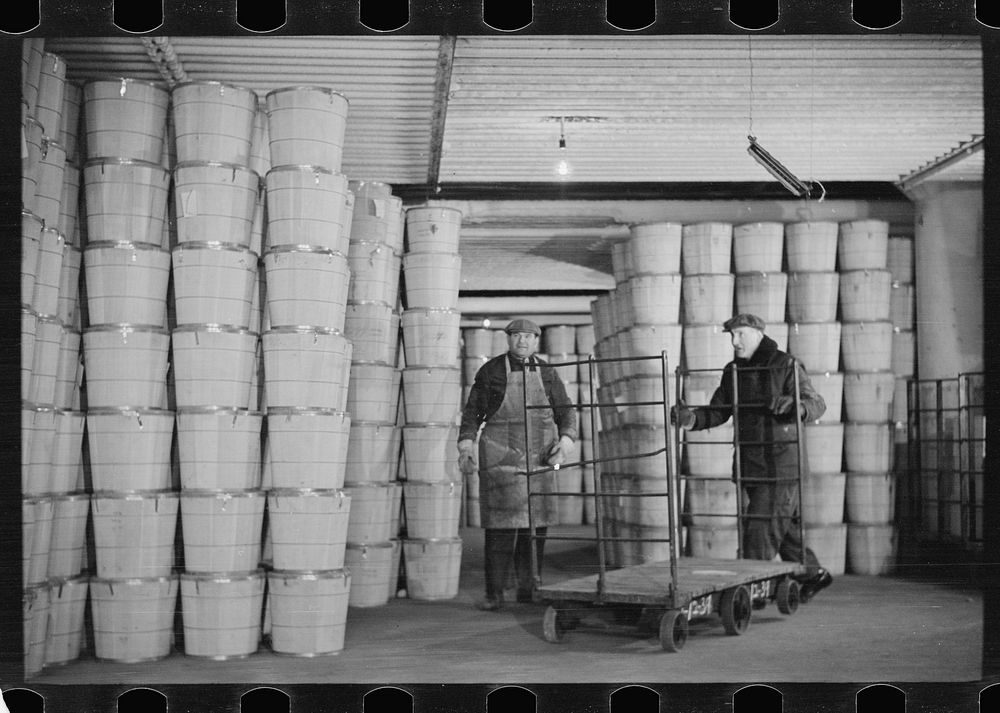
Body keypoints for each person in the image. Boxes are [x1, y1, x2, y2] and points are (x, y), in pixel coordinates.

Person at [670, 313, 834, 602]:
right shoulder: (733, 370)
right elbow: (719, 410)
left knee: (759, 528)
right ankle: (813, 574)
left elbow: (816, 404)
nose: (734, 342)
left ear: (758, 333)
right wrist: (691, 419)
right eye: (732, 336)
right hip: (751, 466)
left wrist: (794, 405)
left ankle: (743, 592)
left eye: (740, 334)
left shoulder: (786, 366)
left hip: (781, 466)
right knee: (783, 529)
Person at [457, 318, 578, 611]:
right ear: (508, 340)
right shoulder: (492, 371)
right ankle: (494, 593)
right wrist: (466, 444)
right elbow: (473, 412)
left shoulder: (547, 373)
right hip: (502, 461)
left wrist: (566, 440)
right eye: (516, 336)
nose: (522, 342)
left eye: (528, 337)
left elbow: (565, 410)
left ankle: (529, 589)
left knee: (533, 531)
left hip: (539, 460)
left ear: (536, 341)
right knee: (500, 531)